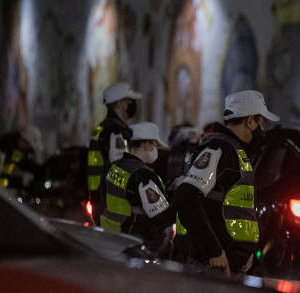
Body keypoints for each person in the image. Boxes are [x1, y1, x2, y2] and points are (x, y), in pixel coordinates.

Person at [172, 90, 278, 277]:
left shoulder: (233, 151)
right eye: (261, 122)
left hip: (227, 265)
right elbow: (186, 197)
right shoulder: (220, 149)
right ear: (250, 121)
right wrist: (214, 251)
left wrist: (245, 253)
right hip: (211, 267)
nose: (263, 129)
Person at [99, 122, 176, 258]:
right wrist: (179, 194)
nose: (156, 150)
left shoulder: (115, 167)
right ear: (147, 145)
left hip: (111, 238)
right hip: (135, 245)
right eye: (155, 145)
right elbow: (162, 217)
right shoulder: (143, 176)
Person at [87, 82, 142, 223]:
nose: (132, 105)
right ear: (121, 104)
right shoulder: (115, 131)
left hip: (99, 197)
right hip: (114, 204)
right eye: (129, 101)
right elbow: (120, 166)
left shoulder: (101, 128)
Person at [0, 127, 41, 191]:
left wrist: (40, 170)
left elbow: (24, 163)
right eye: (29, 147)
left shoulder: (16, 151)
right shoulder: (2, 149)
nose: (28, 150)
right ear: (24, 141)